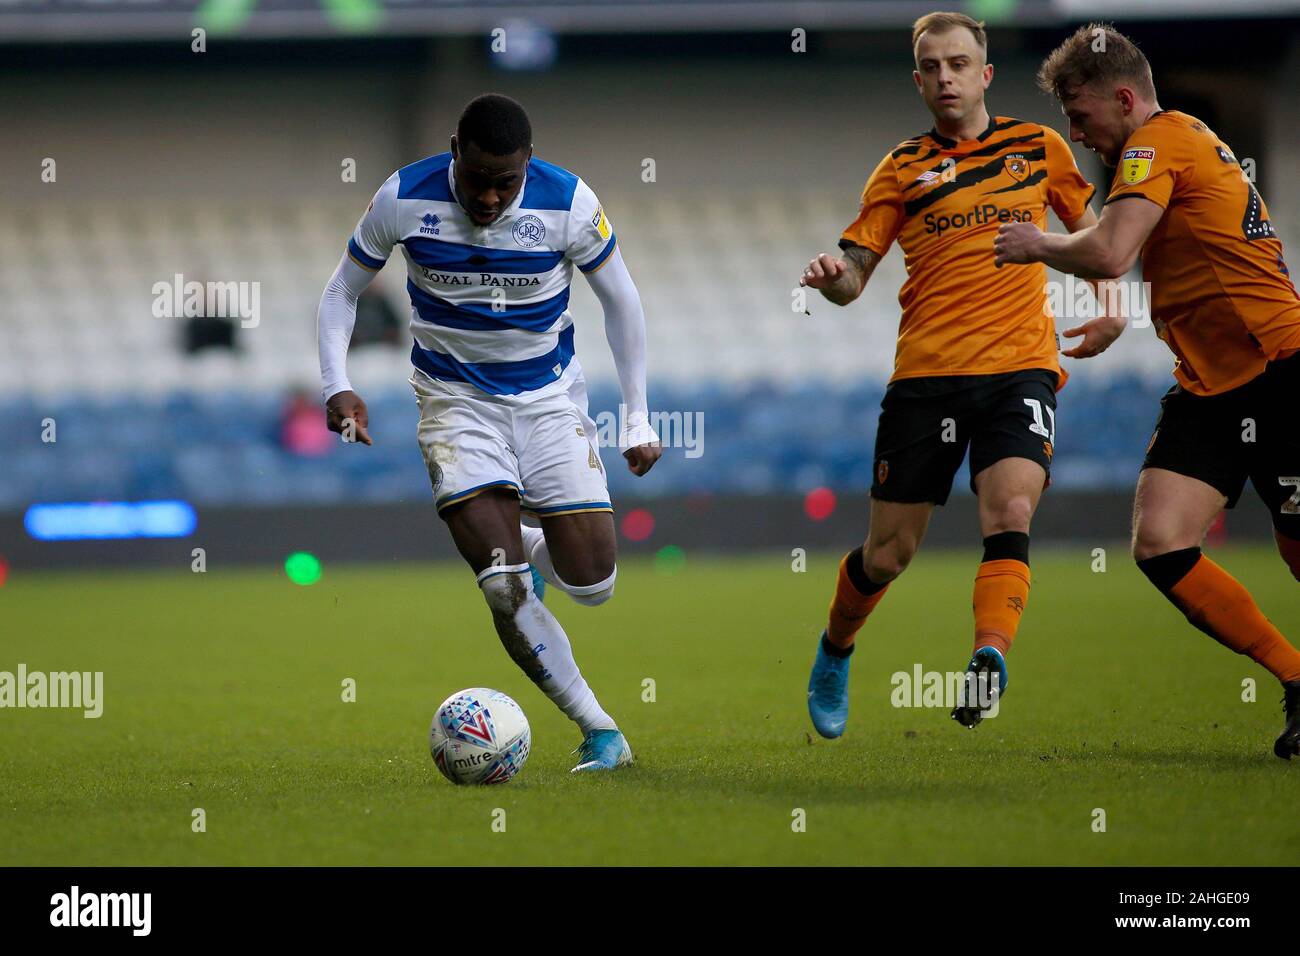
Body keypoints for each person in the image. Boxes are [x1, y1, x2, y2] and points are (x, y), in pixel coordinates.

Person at [316, 93, 662, 771]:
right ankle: (601, 732)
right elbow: (341, 292)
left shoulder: (567, 202)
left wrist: (638, 414)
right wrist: (338, 383)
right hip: (454, 403)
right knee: (502, 587)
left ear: (528, 164)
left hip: (549, 398)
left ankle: (522, 535)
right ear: (455, 152)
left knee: (593, 582)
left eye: (507, 181)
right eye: (477, 179)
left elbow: (621, 298)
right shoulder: (403, 197)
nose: (491, 196)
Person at [799, 11, 1119, 735]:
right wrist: (831, 277)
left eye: (958, 63)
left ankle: (987, 660)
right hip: (927, 377)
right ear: (919, 81)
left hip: (1020, 369)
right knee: (888, 555)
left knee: (1010, 513)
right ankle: (836, 646)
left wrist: (1109, 304)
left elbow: (1097, 234)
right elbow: (856, 276)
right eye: (933, 68)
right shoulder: (901, 167)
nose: (946, 77)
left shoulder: (1038, 148)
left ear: (985, 73)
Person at [993, 23, 1300, 758]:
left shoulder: (1155, 142)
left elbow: (1107, 249)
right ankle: (1296, 678)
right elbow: (1155, 256)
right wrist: (1116, 319)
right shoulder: (1167, 150)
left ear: (1124, 99)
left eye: (1079, 112)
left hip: (1280, 373)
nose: (1075, 131)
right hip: (1210, 385)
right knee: (1162, 542)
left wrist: (1034, 244)